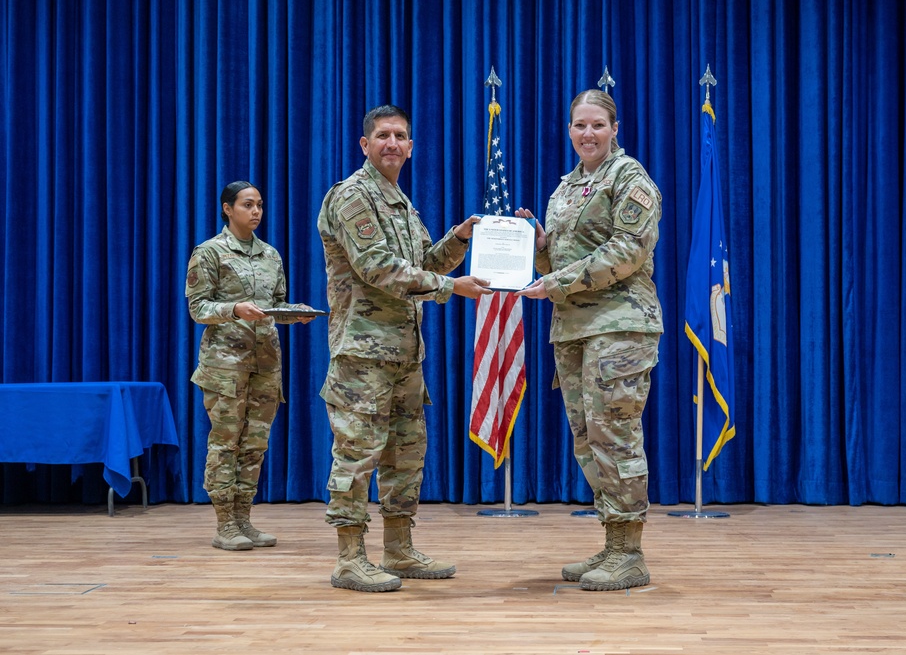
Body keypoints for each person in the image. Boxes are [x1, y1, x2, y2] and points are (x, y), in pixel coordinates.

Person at [317, 104, 490, 592]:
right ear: (365, 144)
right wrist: (449, 287)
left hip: (403, 354)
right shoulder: (352, 197)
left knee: (405, 455)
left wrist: (459, 239)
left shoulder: (399, 201)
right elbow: (378, 268)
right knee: (357, 455)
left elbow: (422, 261)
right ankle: (350, 558)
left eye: (401, 136)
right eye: (383, 135)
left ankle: (398, 550)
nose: (392, 143)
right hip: (362, 354)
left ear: (411, 147)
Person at [515, 90, 663, 591]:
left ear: (614, 127)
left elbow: (626, 251)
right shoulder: (567, 187)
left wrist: (554, 281)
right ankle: (613, 542)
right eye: (579, 125)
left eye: (597, 125)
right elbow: (557, 263)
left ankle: (631, 552)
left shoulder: (630, 179)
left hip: (620, 327)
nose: (588, 134)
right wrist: (538, 247)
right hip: (575, 328)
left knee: (616, 437)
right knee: (588, 440)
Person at [186, 181, 313, 551]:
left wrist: (296, 313)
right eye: (247, 205)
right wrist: (233, 309)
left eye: (259, 205)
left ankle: (245, 518)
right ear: (227, 209)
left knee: (255, 444)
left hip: (266, 363)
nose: (255, 211)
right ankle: (225, 523)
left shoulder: (271, 255)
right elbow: (198, 309)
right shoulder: (210, 252)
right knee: (227, 443)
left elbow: (275, 303)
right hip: (225, 365)